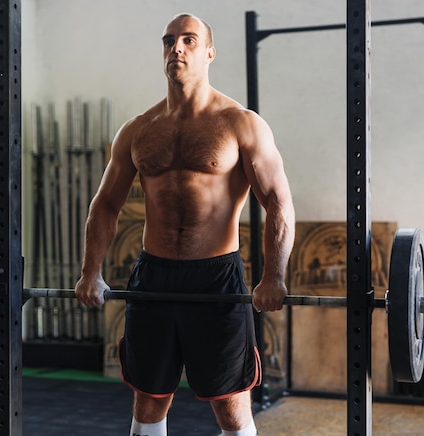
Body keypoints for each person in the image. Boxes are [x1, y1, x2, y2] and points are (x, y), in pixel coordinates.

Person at [74, 13, 295, 436]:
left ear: (209, 52)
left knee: (231, 405)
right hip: (153, 275)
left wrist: (274, 277)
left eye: (189, 40)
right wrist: (90, 272)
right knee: (149, 397)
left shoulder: (240, 123)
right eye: (169, 40)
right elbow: (105, 205)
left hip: (216, 278)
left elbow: (279, 204)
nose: (177, 48)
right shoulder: (138, 130)